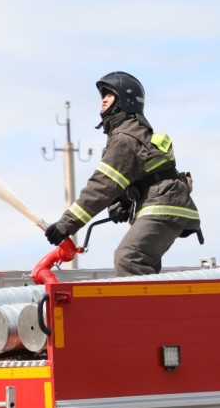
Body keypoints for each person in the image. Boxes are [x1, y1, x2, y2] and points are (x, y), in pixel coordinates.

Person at [44, 71, 202, 275]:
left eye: (109, 95)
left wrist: (66, 225)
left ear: (125, 100)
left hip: (164, 204)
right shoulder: (129, 133)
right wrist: (125, 200)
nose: (103, 100)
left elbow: (101, 187)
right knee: (142, 264)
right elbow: (141, 175)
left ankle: (139, 308)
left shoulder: (124, 137)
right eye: (103, 96)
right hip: (167, 202)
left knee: (129, 259)